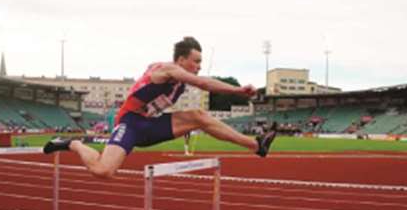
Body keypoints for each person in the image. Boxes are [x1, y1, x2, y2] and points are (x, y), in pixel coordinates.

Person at [43, 37, 277, 179]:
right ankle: (72, 144)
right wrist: (237, 90)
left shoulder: (179, 78)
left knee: (198, 115)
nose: (198, 67)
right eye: (195, 62)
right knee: (104, 171)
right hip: (130, 122)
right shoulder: (168, 70)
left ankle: (257, 146)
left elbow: (197, 82)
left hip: (152, 124)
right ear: (181, 60)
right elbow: (204, 83)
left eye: (200, 63)